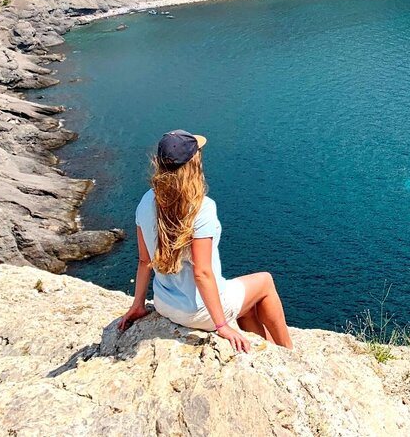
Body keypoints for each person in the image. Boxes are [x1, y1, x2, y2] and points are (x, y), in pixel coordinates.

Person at [117, 129, 293, 352]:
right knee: (265, 281)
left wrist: (137, 305)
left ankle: (265, 349)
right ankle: (288, 351)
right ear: (193, 164)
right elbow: (202, 272)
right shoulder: (201, 208)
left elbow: (144, 261)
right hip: (198, 312)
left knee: (247, 307)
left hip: (165, 305)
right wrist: (221, 326)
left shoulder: (146, 200)